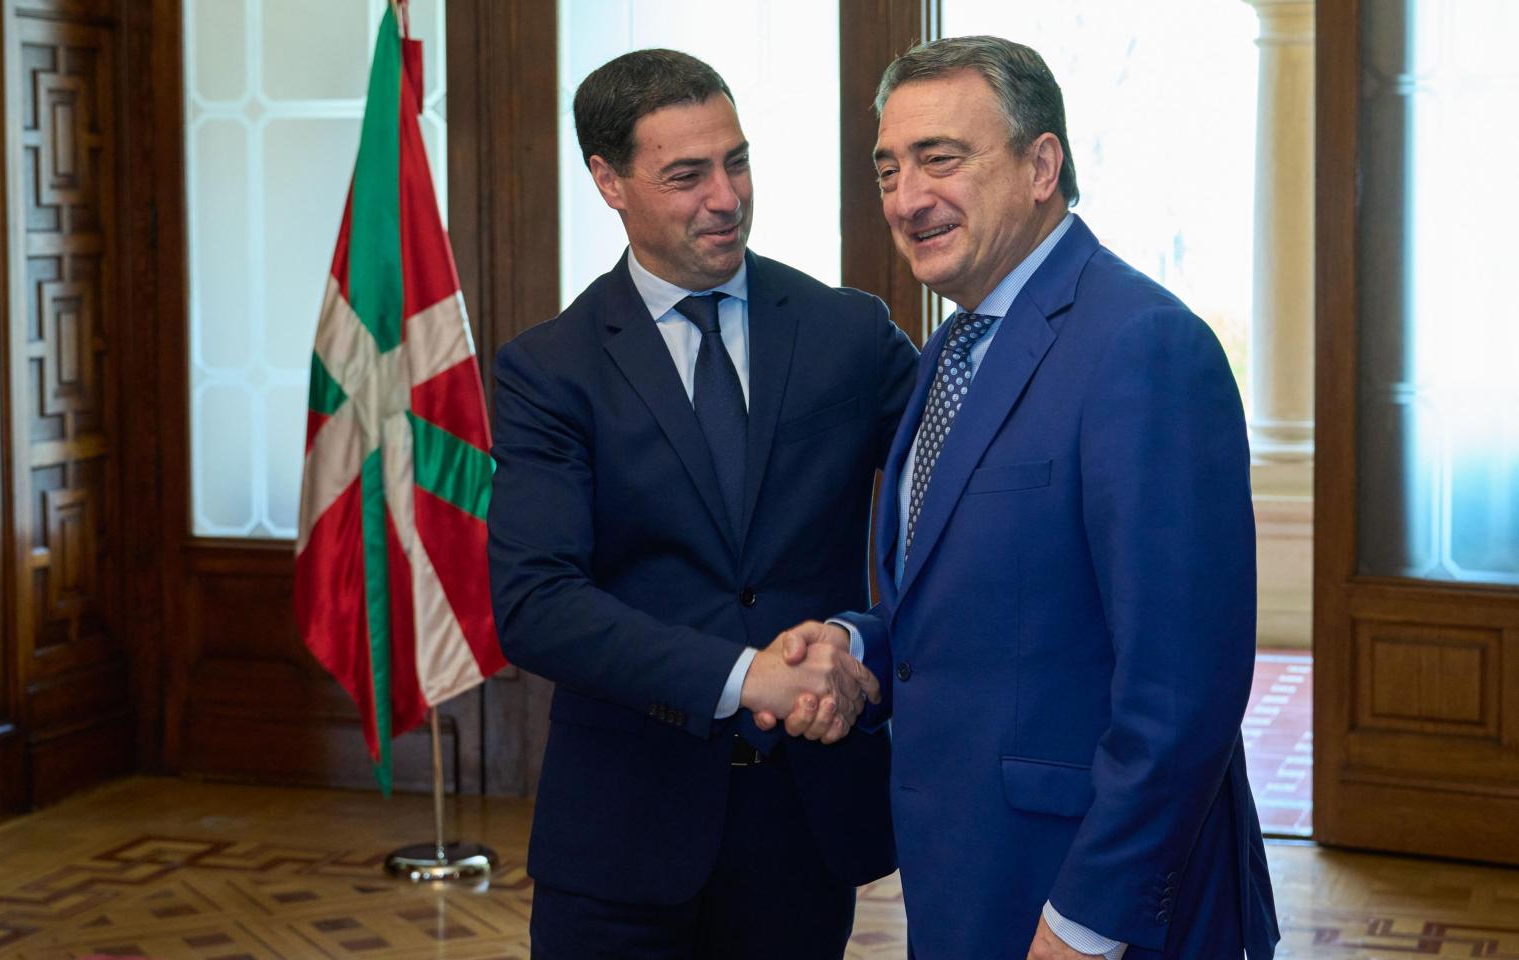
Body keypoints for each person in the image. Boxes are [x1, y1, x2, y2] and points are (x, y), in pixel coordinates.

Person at [764, 35, 1282, 959]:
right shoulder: (951, 351)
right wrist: (857, 646)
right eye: (888, 169)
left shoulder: (1145, 346)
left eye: (940, 159)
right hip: (967, 880)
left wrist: (1087, 921)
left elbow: (1181, 691)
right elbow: (988, 608)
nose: (907, 198)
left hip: (1085, 905)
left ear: (1042, 166)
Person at [486, 49, 917, 959]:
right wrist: (746, 675)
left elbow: (966, 495)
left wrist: (863, 636)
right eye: (687, 176)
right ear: (608, 181)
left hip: (804, 829)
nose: (727, 198)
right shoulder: (550, 370)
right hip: (621, 836)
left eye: (737, 161)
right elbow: (537, 605)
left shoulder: (847, 332)